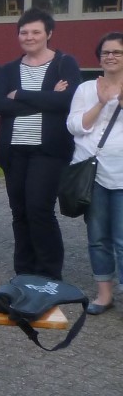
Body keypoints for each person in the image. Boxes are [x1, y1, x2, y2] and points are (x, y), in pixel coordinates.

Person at [0, 8, 80, 280]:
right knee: (19, 212)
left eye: (35, 32)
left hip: (49, 151)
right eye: (24, 32)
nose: (29, 37)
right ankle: (24, 270)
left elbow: (67, 101)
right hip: (14, 150)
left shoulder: (64, 63)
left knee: (39, 209)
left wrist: (20, 94)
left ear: (48, 34)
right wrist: (46, 98)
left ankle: (49, 272)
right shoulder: (9, 69)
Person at [68, 32, 123, 314]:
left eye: (117, 52)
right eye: (106, 52)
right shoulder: (86, 88)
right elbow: (74, 126)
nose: (110, 57)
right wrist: (101, 103)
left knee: (122, 239)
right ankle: (104, 295)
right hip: (92, 174)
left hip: (121, 174)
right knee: (98, 237)